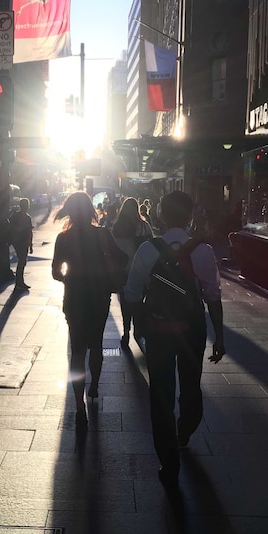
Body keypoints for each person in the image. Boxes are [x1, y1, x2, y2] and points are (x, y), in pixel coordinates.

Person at [124, 190, 226, 486]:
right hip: (192, 330)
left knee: (161, 394)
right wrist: (219, 336)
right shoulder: (203, 250)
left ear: (161, 216)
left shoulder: (147, 249)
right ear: (190, 216)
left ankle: (168, 461)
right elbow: (213, 296)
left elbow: (132, 293)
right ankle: (185, 430)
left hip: (158, 332)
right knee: (191, 387)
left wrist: (137, 326)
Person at [52, 191, 126, 430]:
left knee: (77, 351)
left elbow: (55, 272)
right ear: (91, 211)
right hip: (98, 297)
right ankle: (94, 384)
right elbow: (123, 258)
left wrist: (68, 278)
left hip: (74, 298)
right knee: (96, 343)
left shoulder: (63, 239)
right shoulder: (103, 234)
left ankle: (78, 403)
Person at [111, 197, 153, 350]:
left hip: (123, 270)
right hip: (141, 269)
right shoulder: (144, 226)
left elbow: (112, 250)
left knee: (125, 301)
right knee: (139, 300)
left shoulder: (117, 227)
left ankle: (126, 331)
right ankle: (138, 328)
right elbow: (152, 245)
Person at [8, 198, 34, 289]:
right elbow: (29, 232)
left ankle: (19, 281)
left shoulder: (16, 216)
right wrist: (30, 244)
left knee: (22, 261)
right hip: (21, 241)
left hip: (19, 241)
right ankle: (19, 281)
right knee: (22, 261)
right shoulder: (26, 217)